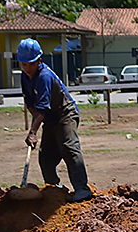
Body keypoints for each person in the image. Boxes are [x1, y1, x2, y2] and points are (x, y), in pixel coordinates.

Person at [17, 38, 92, 202]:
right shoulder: (25, 77)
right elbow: (31, 104)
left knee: (68, 147)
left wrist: (32, 132)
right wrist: (36, 124)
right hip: (49, 117)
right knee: (46, 157)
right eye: (24, 64)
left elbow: (42, 107)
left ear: (39, 60)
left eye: (31, 64)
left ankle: (82, 189)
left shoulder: (44, 76)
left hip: (65, 113)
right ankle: (54, 189)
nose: (28, 68)